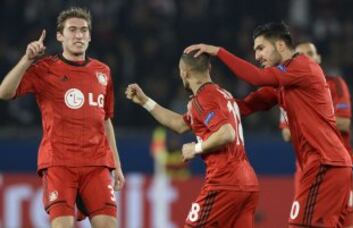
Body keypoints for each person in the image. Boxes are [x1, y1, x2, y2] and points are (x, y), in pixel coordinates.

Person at [185, 22, 353, 227]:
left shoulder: (302, 67)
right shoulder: (283, 82)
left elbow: (256, 78)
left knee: (300, 224)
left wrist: (219, 52)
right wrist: (205, 108)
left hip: (325, 162)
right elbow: (245, 106)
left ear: (281, 45)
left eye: (261, 48)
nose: (257, 56)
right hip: (326, 163)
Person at [0, 7, 124, 228]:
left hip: (96, 164)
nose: (79, 35)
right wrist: (27, 60)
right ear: (60, 36)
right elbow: (4, 92)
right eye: (73, 30)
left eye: (84, 30)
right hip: (59, 163)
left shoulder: (102, 71)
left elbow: (105, 120)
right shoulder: (45, 69)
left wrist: (116, 165)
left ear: (90, 36)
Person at [125, 51, 259, 227]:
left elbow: (227, 133)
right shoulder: (222, 94)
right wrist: (145, 101)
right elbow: (179, 124)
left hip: (225, 182)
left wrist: (196, 148)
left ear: (184, 73)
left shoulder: (203, 99)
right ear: (208, 68)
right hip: (248, 182)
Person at [279, 41, 353, 228]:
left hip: (335, 165)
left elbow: (345, 123)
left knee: (343, 221)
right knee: (302, 222)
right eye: (301, 55)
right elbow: (286, 133)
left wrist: (306, 117)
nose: (306, 58)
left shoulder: (335, 84)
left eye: (310, 53)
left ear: (319, 58)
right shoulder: (287, 90)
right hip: (306, 167)